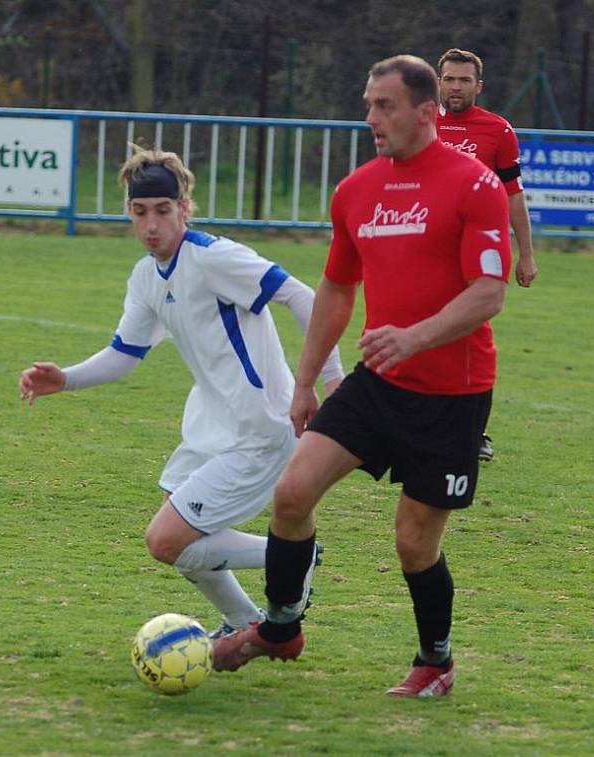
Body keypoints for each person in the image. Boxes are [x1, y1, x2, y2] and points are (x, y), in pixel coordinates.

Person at [212, 55, 512, 698]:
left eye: (385, 106)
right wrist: (304, 380)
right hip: (378, 382)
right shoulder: (356, 190)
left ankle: (436, 662)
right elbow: (337, 286)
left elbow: (489, 293)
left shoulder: (474, 184)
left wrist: (413, 335)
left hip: (451, 395)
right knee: (292, 494)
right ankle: (282, 627)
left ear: (427, 112)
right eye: (369, 104)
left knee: (412, 544)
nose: (371, 117)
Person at [19, 146, 344, 638]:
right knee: (183, 521)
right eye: (139, 212)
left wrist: (326, 380)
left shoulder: (215, 258)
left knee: (166, 540)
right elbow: (125, 354)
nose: (152, 224)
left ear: (185, 208)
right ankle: (244, 621)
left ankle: (295, 553)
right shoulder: (146, 276)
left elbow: (302, 296)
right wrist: (65, 378)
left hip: (261, 428)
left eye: (163, 211)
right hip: (214, 427)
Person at [436, 47, 538, 462]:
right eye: (449, 79)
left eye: (464, 80)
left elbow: (514, 195)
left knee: (470, 338)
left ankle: (474, 432)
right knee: (416, 334)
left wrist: (526, 254)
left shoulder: (497, 130)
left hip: (476, 254)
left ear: (478, 86)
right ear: (437, 82)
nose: (456, 87)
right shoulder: (419, 122)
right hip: (426, 252)